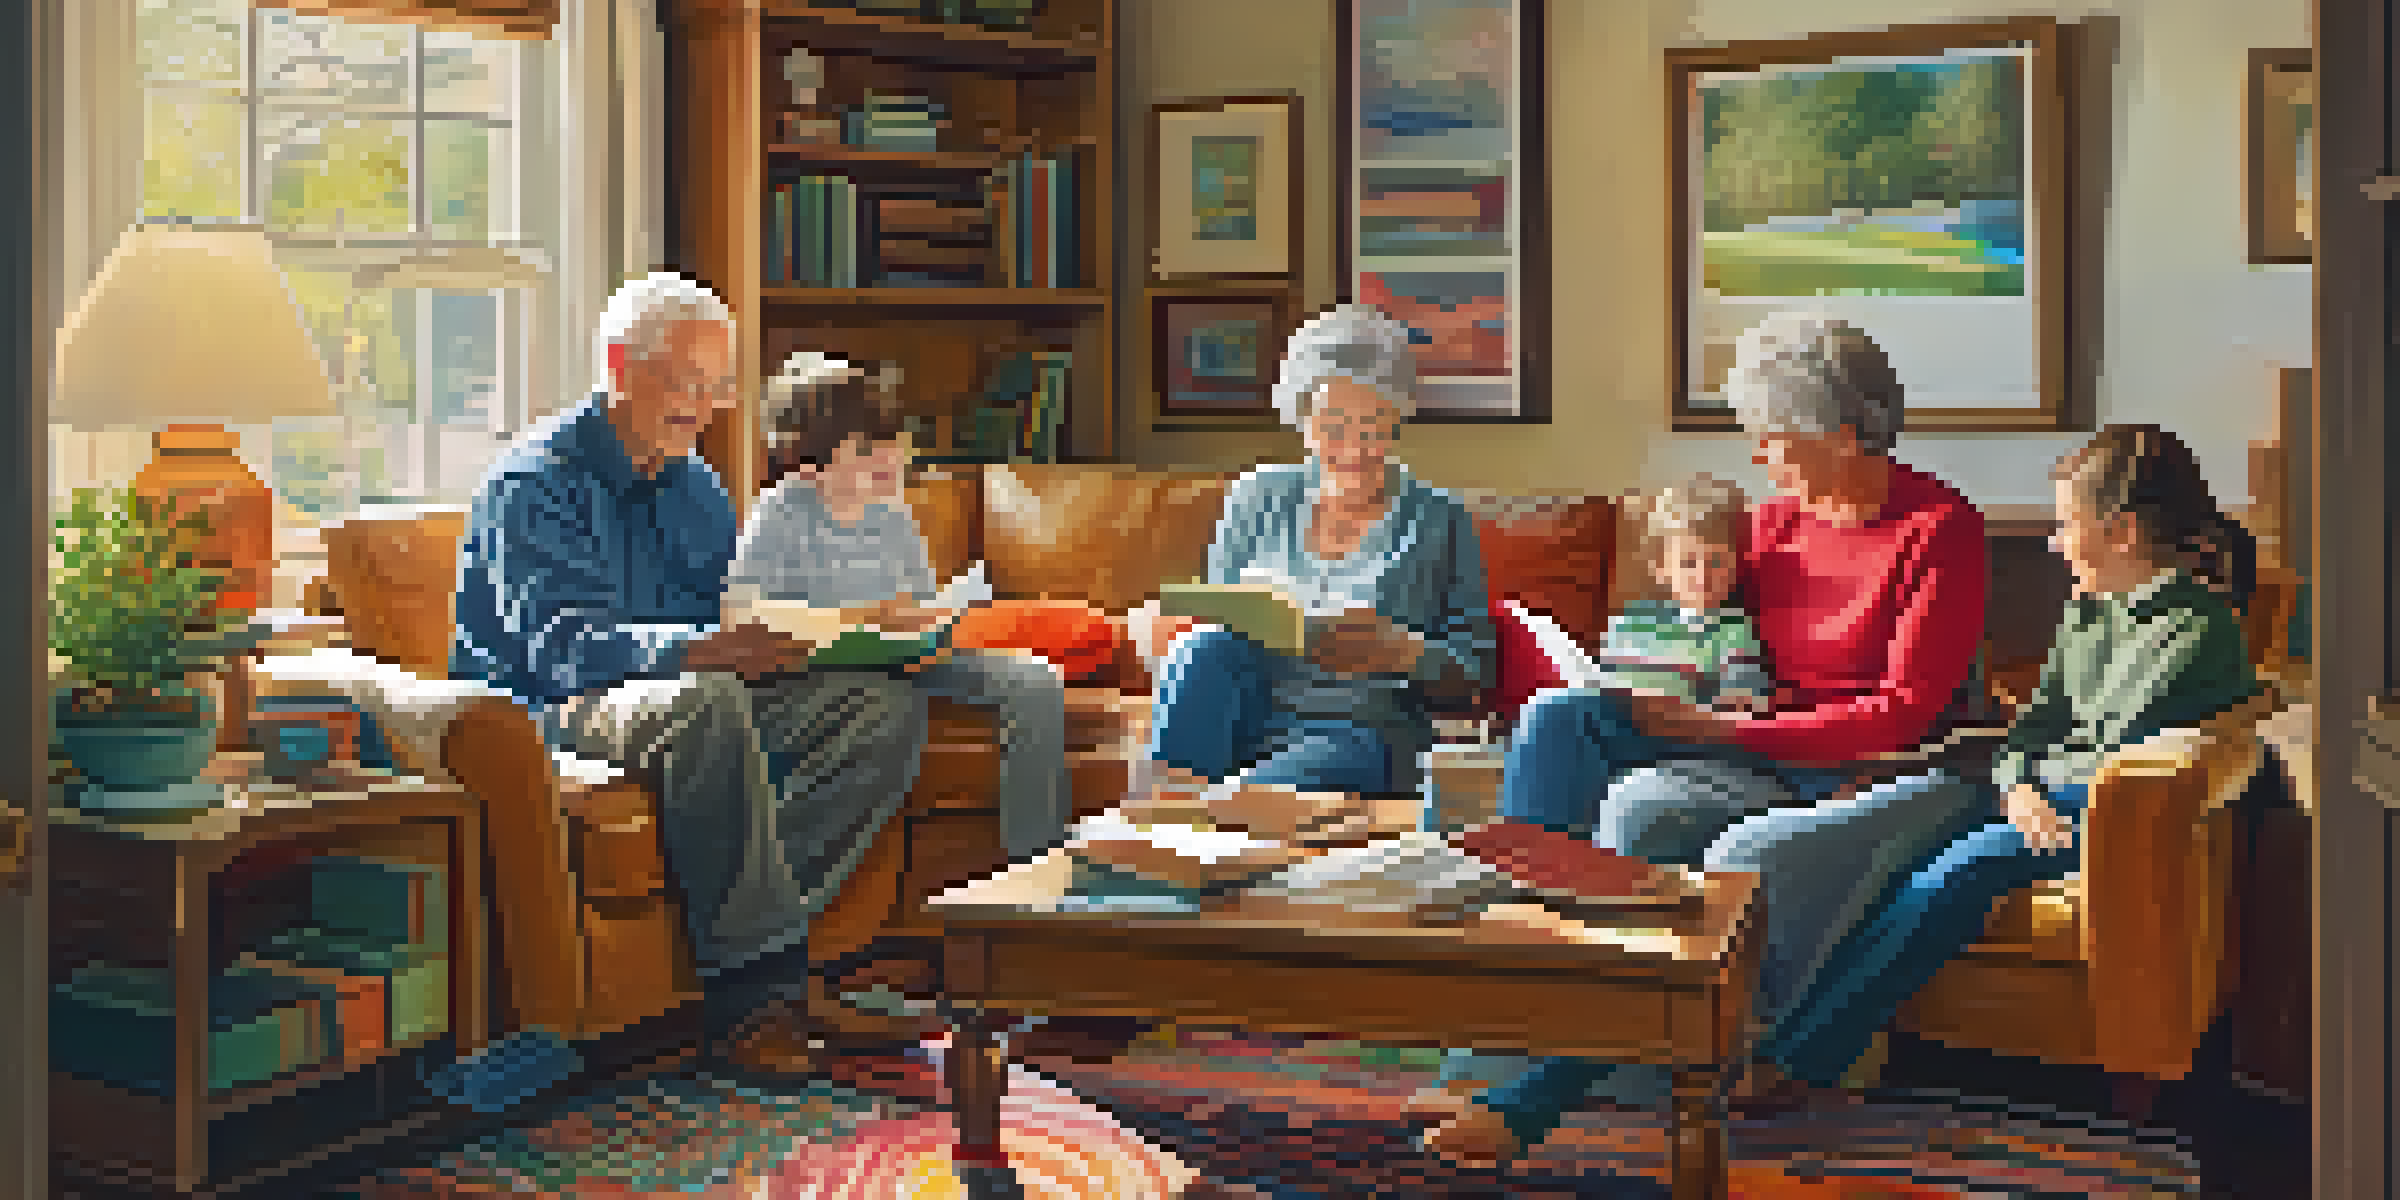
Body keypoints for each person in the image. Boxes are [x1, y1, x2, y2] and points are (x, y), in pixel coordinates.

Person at [1420, 312, 1991, 1162]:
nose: (1758, 455)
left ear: (1840, 434)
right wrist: (1653, 686)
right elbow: (1705, 637)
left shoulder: (1940, 530)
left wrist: (1725, 728)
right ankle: (1519, 1003)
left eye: (1772, 436)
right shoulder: (1771, 527)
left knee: (1755, 844)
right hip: (1758, 746)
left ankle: (1541, 1087)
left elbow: (1903, 710)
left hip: (1885, 771)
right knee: (1561, 723)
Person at [449, 272, 929, 1069]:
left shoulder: (696, 486)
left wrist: (823, 630)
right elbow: (565, 651)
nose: (700, 407)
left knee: (880, 709)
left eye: (717, 387)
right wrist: (705, 650)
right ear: (618, 363)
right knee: (704, 701)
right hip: (552, 710)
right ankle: (756, 1002)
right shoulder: (534, 485)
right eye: (682, 381)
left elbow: (732, 614)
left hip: (680, 695)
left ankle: (769, 961)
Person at [1744, 424, 2260, 1100]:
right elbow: (2037, 727)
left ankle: (1801, 1064)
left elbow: (2107, 747)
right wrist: (2018, 782)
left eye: (2066, 524)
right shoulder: (2089, 612)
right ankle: (1792, 1038)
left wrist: (2027, 785)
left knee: (1950, 876)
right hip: (2038, 796)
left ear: (2124, 533)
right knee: (1879, 840)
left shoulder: (2196, 628)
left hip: (2098, 814)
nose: (2053, 542)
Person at [723, 352, 1070, 1007]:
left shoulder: (895, 516)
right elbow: (745, 613)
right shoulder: (782, 514)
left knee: (1034, 680)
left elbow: (913, 606)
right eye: (865, 446)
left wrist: (931, 618)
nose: (888, 457)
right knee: (882, 703)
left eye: (892, 439)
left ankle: (1034, 890)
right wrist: (857, 620)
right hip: (813, 675)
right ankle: (768, 939)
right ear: (812, 457)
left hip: (903, 661)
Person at [1127, 302, 1494, 824]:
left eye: (1373, 426)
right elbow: (1218, 615)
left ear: (1398, 420)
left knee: (1239, 803)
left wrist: (1401, 652)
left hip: (1359, 730)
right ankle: (1154, 832)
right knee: (1203, 646)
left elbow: (1475, 669)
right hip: (1249, 710)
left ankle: (1196, 820)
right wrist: (1166, 626)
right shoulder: (1259, 493)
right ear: (1301, 421)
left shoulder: (1439, 519)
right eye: (1334, 426)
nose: (1354, 448)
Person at [1594, 476, 1774, 713]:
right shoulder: (1628, 625)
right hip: (1626, 728)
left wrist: (1735, 699)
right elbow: (1605, 688)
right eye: (1689, 563)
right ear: (1661, 567)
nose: (1703, 574)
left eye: (1717, 562)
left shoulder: (1735, 632)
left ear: (1735, 567)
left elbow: (1748, 701)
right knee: (1555, 705)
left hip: (1690, 735)